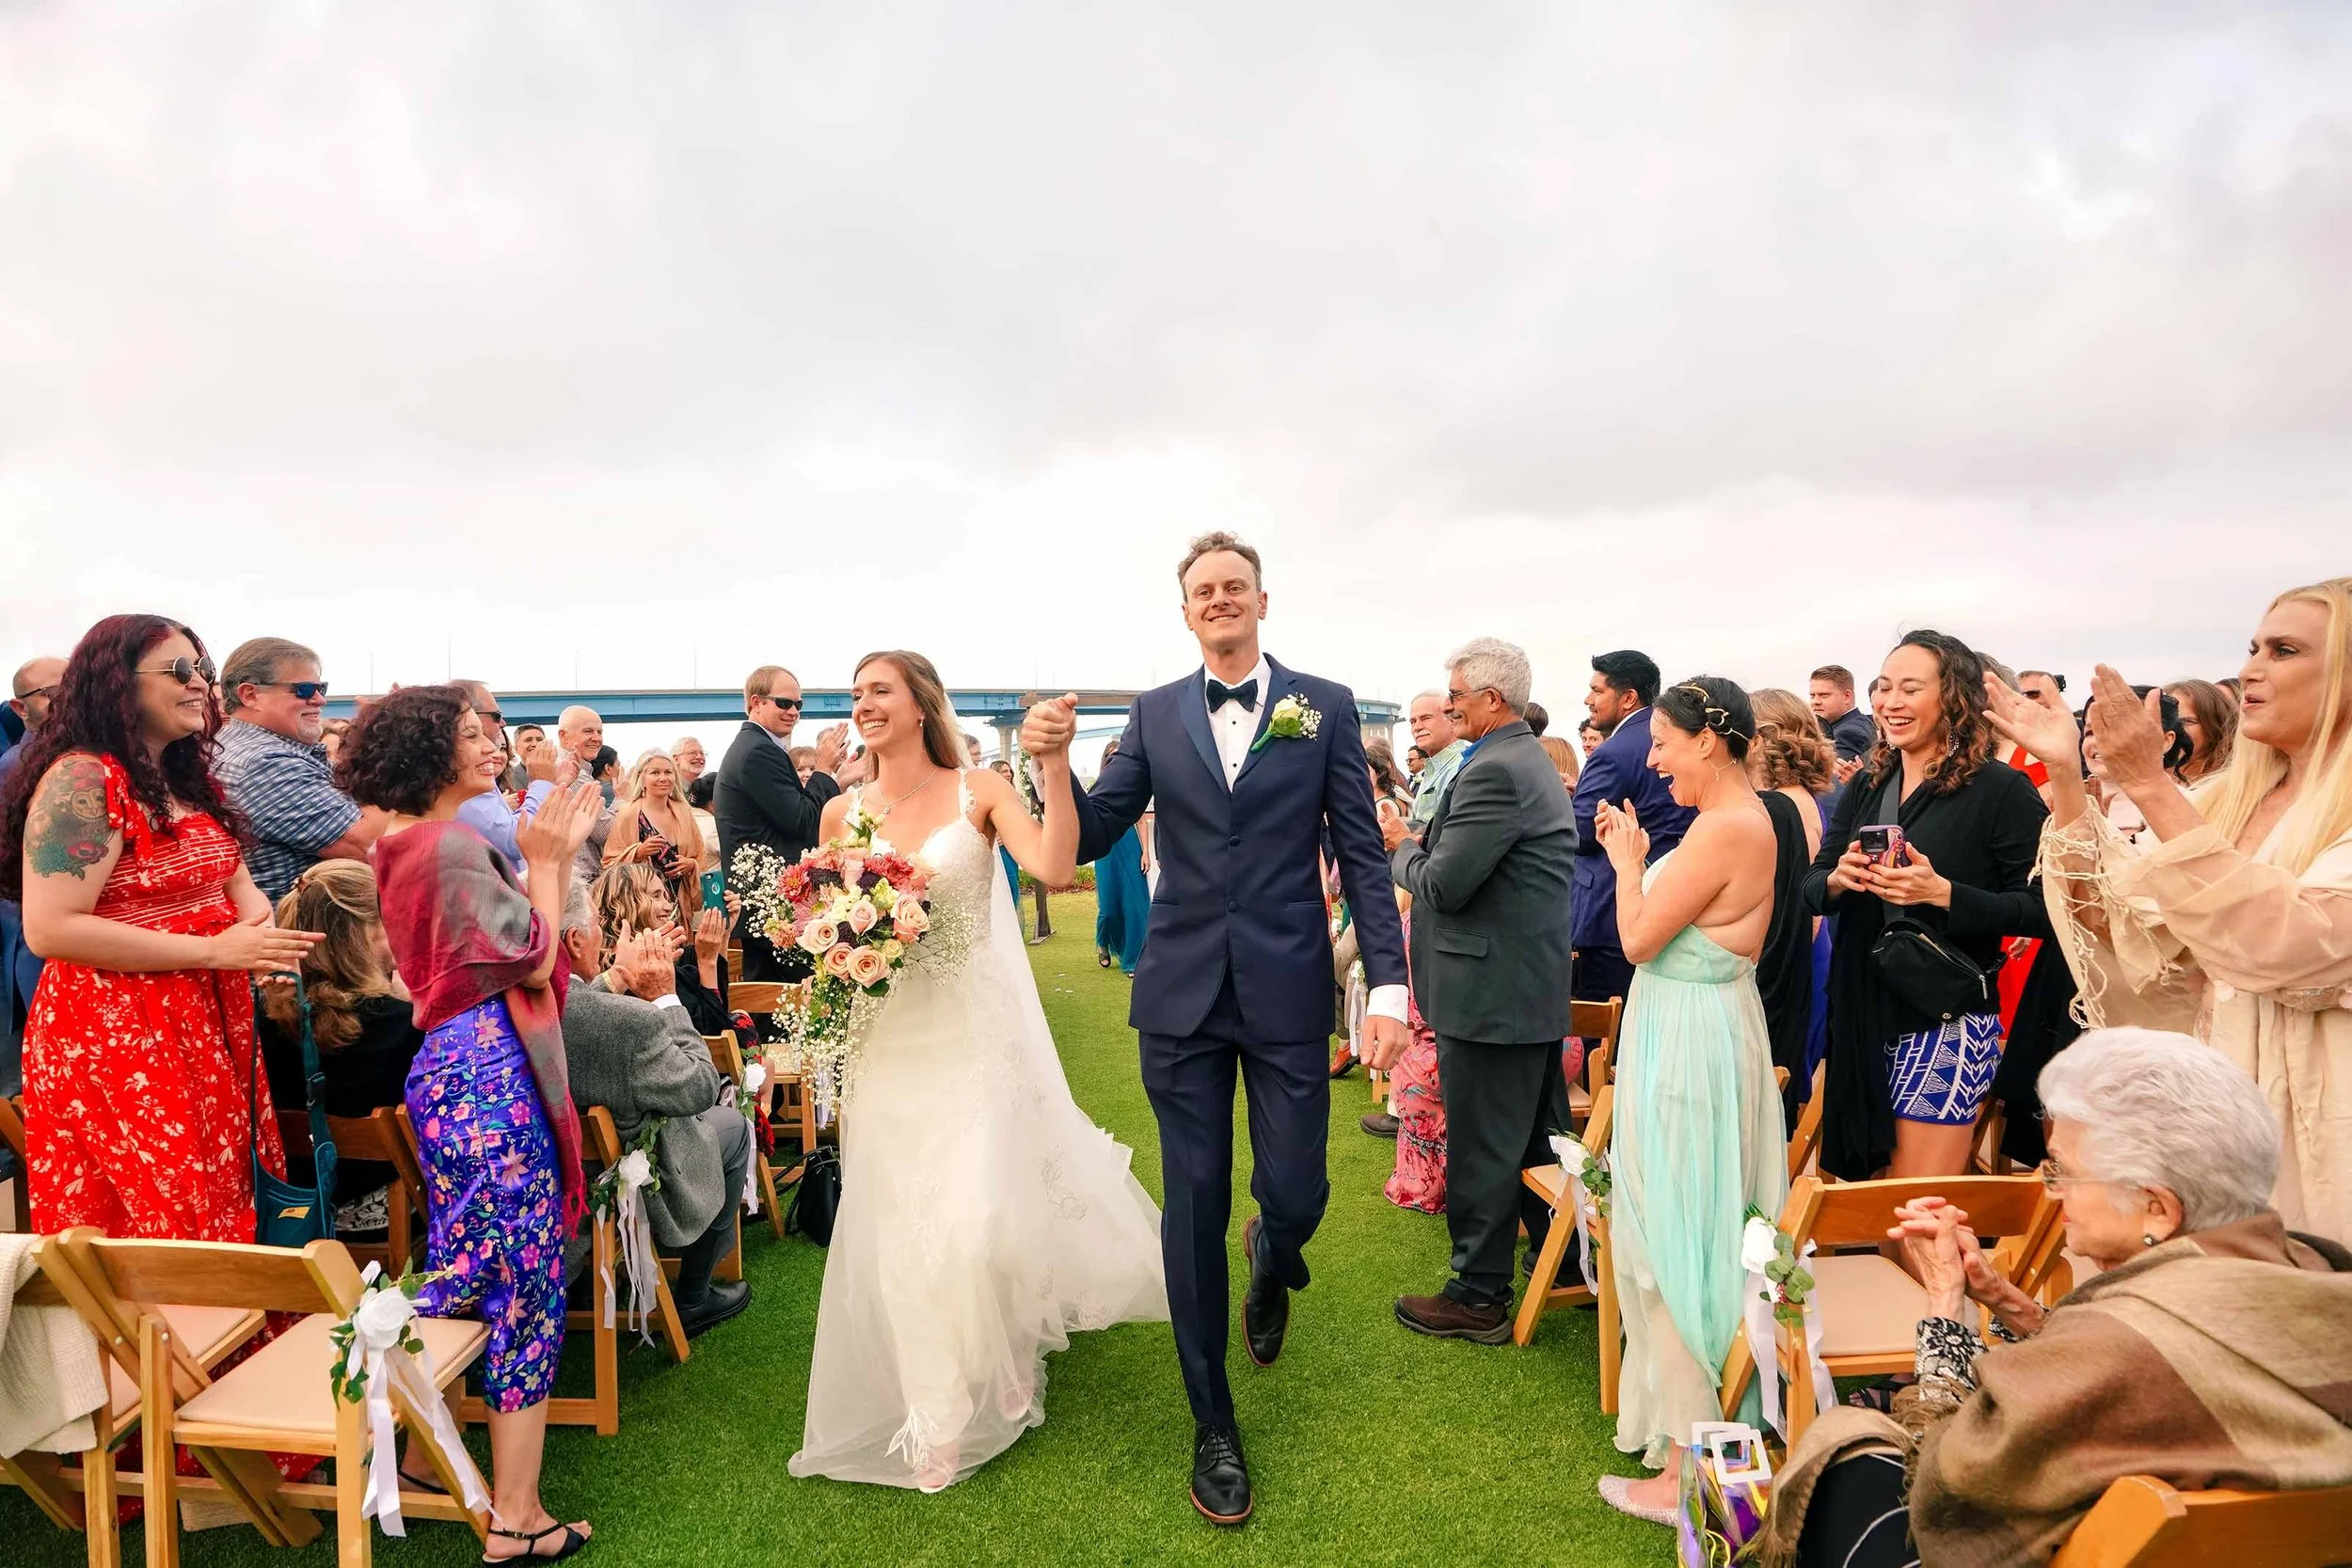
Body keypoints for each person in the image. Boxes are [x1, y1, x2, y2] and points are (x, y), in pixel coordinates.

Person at [1021, 532, 1408, 1527]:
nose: (1221, 598)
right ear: (1187, 611)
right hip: (1182, 992)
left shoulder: (1324, 705)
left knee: (1299, 1189)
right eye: (1204, 590)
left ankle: (1272, 1253)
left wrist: (1389, 987)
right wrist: (1052, 765)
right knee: (1191, 1200)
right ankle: (1214, 1423)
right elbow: (1094, 831)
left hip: (1286, 987)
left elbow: (1363, 856)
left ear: (1262, 601)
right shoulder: (1153, 713)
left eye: (1236, 585)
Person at [1760, 1028, 2352, 1567]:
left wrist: (1945, 1303)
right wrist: (2007, 1301)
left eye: (2063, 1171)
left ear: (2157, 1208)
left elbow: (1944, 1477)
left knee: (1849, 1448)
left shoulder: (2116, 1348)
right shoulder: (2312, 1272)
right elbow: (2146, 1351)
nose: (2052, 1191)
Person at [790, 650, 1167, 1493]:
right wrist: (840, 954)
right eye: (855, 694)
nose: (863, 704)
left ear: (921, 703)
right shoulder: (840, 812)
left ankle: (1005, 1342)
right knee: (904, 1228)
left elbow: (1056, 867)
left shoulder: (981, 789)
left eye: (879, 690)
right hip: (889, 1043)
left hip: (971, 1034)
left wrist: (1053, 765)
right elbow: (826, 922)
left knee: (976, 1222)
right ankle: (937, 1409)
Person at [1992, 577, 2352, 1241]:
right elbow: (2117, 925)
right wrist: (2067, 774)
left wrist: (2147, 783)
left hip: (2322, 1114)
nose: (2252, 669)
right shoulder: (2226, 798)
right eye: (2253, 649)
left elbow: (2287, 942)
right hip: (2220, 1116)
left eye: (2285, 651)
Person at [340, 683, 603, 1561]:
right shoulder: (448, 844)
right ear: (428, 753)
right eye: (468, 733)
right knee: (522, 1282)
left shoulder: (405, 841)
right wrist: (549, 860)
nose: (490, 743)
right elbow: (532, 956)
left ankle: (419, 1451)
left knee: (470, 1261)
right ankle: (517, 1516)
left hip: (458, 1074)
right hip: (490, 1078)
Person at [0, 615, 321, 1239]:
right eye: (179, 669)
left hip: (204, 1016)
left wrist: (260, 940)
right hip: (121, 1028)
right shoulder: (85, 779)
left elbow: (239, 887)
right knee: (167, 1218)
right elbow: (50, 929)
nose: (200, 683)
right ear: (116, 682)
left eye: (203, 669)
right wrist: (215, 950)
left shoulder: (180, 777)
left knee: (225, 1200)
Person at [1584, 677, 1788, 1522]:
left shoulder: (1728, 825)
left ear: (1709, 739)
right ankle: (1699, 1446)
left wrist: (1628, 865)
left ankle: (1690, 1469)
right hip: (1699, 1035)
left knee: (1676, 1238)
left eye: (1664, 743)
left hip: (1689, 1052)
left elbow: (1637, 938)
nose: (1657, 761)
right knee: (1692, 1230)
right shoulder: (1742, 819)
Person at [1382, 638, 1578, 1343]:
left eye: (1457, 694)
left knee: (1486, 1148)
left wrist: (1401, 845)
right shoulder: (1518, 759)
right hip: (1516, 991)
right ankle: (1566, 1264)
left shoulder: (1497, 769)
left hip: (1493, 997)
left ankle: (1478, 1294)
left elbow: (1443, 883)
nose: (1449, 703)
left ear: (1492, 700)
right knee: (1535, 1143)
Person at [1804, 631, 2045, 1181]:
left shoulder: (2000, 790)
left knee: (1915, 1207)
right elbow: (1812, 886)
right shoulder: (1870, 782)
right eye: (1884, 687)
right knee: (1867, 1201)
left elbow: (2042, 909)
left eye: (1910, 689)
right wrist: (1839, 879)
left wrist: (1943, 894)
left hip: (1944, 1020)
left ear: (1953, 697)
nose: (1891, 702)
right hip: (1861, 1014)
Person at [557, 880, 753, 1336]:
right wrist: (666, 997)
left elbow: (574, 1007)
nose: (604, 937)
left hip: (549, 1187)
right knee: (732, 1125)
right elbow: (699, 1086)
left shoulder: (515, 1006)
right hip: (623, 1184)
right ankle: (694, 1296)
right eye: (597, 926)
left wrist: (616, 977)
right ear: (576, 941)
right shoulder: (631, 1022)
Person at [259, 861, 424, 1236]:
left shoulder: (266, 1020)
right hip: (382, 1211)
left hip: (293, 1205)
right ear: (361, 935)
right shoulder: (402, 1023)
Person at [213, 636, 386, 900]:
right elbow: (373, 847)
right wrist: (388, 744)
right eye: (304, 689)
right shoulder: (266, 764)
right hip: (308, 923)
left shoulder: (231, 745)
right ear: (250, 695)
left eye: (321, 688)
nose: (319, 700)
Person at [1573, 650, 1697, 1011]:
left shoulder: (1613, 752)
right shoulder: (1673, 738)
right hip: (1673, 899)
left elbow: (1581, 832)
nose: (1588, 699)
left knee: (1606, 1032)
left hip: (1612, 914)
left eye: (1597, 691)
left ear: (1628, 697)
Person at [716, 666, 847, 979]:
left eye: (798, 705)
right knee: (780, 996)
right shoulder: (758, 751)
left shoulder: (756, 746)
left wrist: (839, 780)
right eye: (784, 703)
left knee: (773, 997)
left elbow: (789, 813)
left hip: (768, 907)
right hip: (772, 908)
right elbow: (803, 821)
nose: (794, 712)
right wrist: (824, 769)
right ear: (756, 702)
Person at [1747, 687, 1833, 1130]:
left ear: (1759, 738)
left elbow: (1800, 905)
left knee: (1776, 1076)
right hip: (1802, 949)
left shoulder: (1783, 805)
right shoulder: (1796, 797)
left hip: (1790, 956)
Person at [1, 655, 65, 1112]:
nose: (69, 700)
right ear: (20, 708)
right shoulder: (18, 766)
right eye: (53, 694)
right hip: (35, 934)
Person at [589, 862, 739, 1043]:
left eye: (666, 897)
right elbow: (712, 1037)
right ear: (625, 902)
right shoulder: (633, 970)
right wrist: (707, 961)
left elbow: (718, 1006)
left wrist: (722, 935)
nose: (668, 906)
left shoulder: (675, 957)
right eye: (656, 896)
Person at [453, 682, 561, 872]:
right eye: (497, 716)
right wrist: (541, 782)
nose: (503, 723)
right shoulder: (461, 778)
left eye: (502, 748)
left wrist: (556, 784)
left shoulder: (492, 780)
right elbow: (516, 839)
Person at [603, 749, 707, 911]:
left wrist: (691, 865)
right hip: (642, 907)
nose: (663, 778)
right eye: (655, 772)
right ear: (642, 778)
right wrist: (638, 853)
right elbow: (609, 863)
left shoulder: (683, 811)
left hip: (680, 905)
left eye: (668, 772)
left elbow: (700, 856)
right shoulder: (628, 813)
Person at [1091, 737, 1150, 975]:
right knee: (1108, 907)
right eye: (1111, 756)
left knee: (1135, 905)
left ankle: (1133, 960)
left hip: (1131, 846)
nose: (1115, 761)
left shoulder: (1133, 785)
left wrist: (1146, 852)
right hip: (1106, 849)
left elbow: (1141, 820)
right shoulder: (1098, 787)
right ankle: (1103, 941)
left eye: (1119, 756)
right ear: (1105, 761)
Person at [1404, 690, 1464, 833]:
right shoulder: (1433, 769)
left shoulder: (1460, 767)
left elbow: (1450, 832)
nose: (1417, 727)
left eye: (1426, 718)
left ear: (1452, 721)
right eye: (1413, 721)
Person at [2165, 676, 2240, 783]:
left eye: (2186, 722)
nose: (2172, 730)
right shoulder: (2147, 775)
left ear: (2214, 729)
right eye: (2165, 720)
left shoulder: (2232, 783)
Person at [1807, 664, 1877, 763]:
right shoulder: (1862, 722)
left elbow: (1834, 772)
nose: (1815, 701)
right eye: (1812, 696)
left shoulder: (1846, 734)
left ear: (1847, 696)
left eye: (1824, 695)